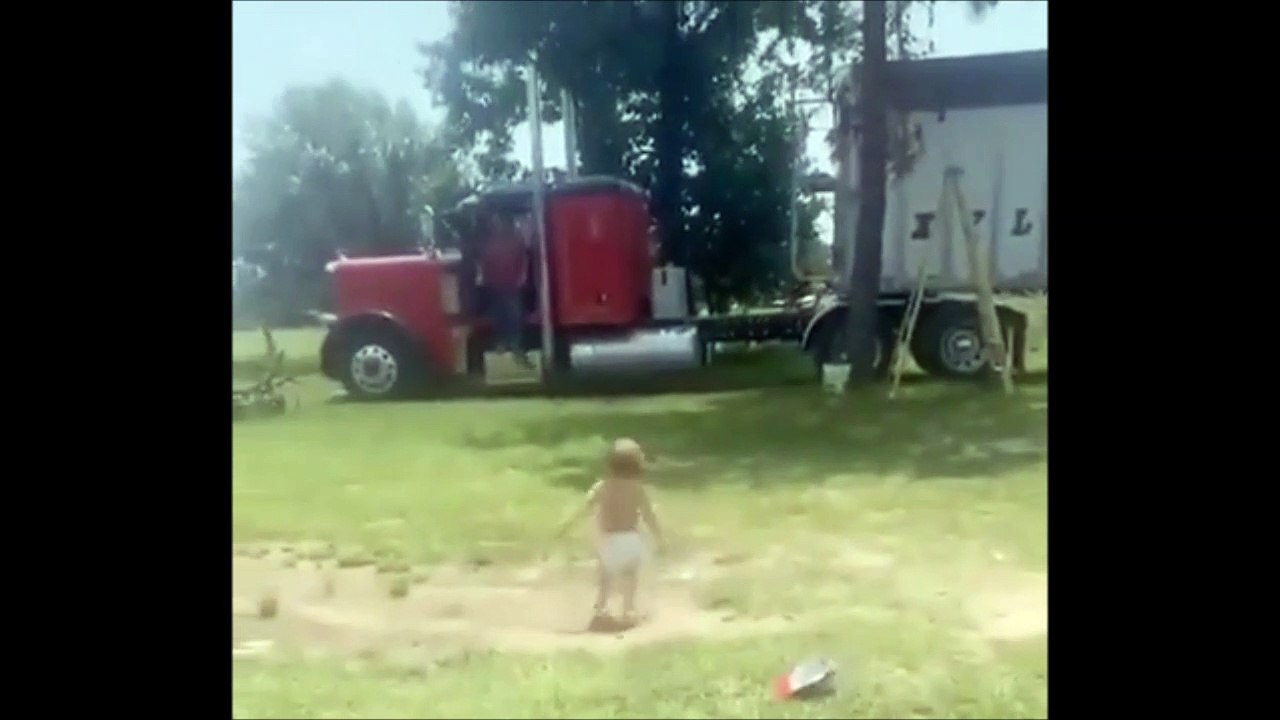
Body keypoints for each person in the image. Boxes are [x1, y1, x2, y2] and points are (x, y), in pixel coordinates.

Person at [555, 438, 665, 623]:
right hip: (631, 539)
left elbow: (584, 508)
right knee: (630, 575)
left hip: (609, 541)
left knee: (605, 576)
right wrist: (660, 538)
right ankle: (628, 609)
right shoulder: (637, 489)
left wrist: (566, 526)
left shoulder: (602, 487)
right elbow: (649, 515)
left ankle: (601, 607)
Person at [480, 213, 532, 367]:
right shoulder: (491, 241)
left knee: (514, 315)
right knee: (499, 316)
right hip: (496, 285)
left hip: (512, 285)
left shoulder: (516, 239)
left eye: (500, 221)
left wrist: (522, 276)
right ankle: (502, 343)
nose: (498, 225)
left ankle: (515, 344)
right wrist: (485, 278)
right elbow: (485, 261)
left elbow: (524, 259)